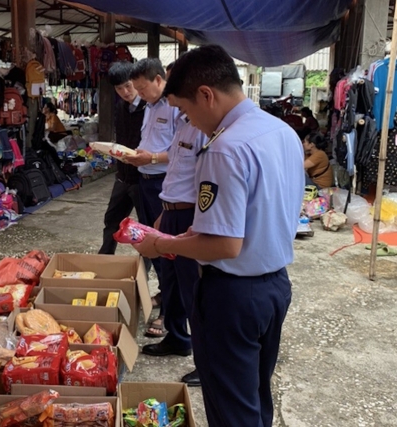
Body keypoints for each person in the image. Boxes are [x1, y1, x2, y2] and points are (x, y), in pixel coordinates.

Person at [132, 45, 304, 427]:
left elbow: (224, 245)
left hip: (234, 296)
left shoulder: (224, 147)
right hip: (274, 286)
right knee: (255, 397)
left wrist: (161, 245)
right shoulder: (281, 131)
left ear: (207, 94)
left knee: (231, 410)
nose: (190, 122)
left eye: (187, 111)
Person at [141, 109, 206, 390]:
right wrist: (163, 214)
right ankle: (178, 339)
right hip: (171, 211)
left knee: (195, 290)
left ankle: (207, 363)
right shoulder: (182, 124)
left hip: (192, 214)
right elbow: (176, 173)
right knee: (171, 282)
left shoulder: (206, 128)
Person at [125, 58, 178, 338]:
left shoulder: (176, 108)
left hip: (163, 184)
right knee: (148, 243)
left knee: (164, 245)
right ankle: (164, 292)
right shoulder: (150, 106)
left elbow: (184, 151)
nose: (139, 94)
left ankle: (169, 310)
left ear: (159, 80)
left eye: (143, 88)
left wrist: (153, 157)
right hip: (145, 181)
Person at [98, 62, 147, 256]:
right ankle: (104, 261)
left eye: (128, 85)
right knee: (112, 220)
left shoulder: (148, 107)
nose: (125, 92)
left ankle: (143, 270)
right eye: (119, 88)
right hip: (122, 176)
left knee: (146, 226)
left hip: (143, 177)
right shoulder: (120, 107)